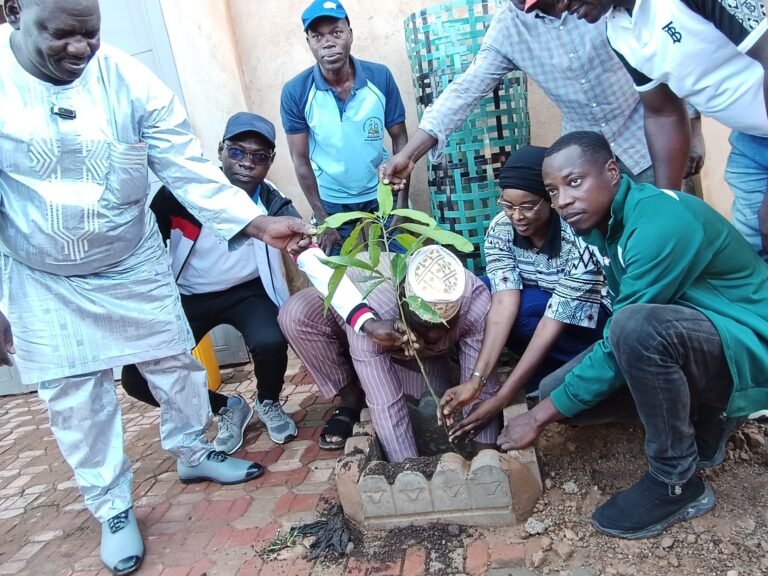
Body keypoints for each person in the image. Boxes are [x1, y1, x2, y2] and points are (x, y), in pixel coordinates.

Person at [0, 1, 313, 574]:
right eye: (60, 34)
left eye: (89, 34)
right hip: (42, 276)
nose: (78, 49)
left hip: (130, 262)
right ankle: (113, 508)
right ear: (14, 11)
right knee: (76, 400)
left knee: (175, 367)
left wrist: (258, 222)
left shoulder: (128, 78)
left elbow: (188, 167)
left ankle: (194, 453)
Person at [499, 131, 768, 539]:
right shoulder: (604, 226)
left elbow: (626, 335)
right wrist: (545, 404)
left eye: (574, 182)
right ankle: (710, 415)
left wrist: (537, 417)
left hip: (751, 343)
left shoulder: (659, 222)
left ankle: (676, 480)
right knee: (562, 394)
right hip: (707, 335)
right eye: (553, 191)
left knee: (631, 329)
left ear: (611, 172)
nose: (563, 200)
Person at [380, 0, 705, 196]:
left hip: (650, 139)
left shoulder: (598, 5)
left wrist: (693, 129)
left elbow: (668, 60)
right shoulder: (510, 27)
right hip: (587, 161)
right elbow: (463, 91)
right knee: (614, 254)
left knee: (678, 233)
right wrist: (410, 154)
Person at [121, 113, 299, 452]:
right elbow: (145, 246)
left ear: (269, 163)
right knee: (136, 378)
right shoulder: (183, 194)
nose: (247, 163)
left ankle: (268, 400)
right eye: (237, 152)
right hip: (189, 294)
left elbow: (293, 222)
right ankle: (226, 407)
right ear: (221, 151)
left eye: (259, 157)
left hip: (247, 291)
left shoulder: (269, 197)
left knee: (272, 341)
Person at [540, 0, 768, 261]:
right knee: (757, 251)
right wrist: (666, 206)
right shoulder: (618, 32)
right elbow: (664, 113)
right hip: (752, 140)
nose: (561, 7)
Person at [439, 146, 611, 439]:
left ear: (550, 200)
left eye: (528, 206)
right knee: (483, 290)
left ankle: (571, 371)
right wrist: (476, 381)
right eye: (508, 205)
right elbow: (503, 300)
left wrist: (501, 399)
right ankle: (540, 372)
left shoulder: (577, 236)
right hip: (544, 307)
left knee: (528, 310)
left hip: (595, 321)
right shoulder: (501, 229)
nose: (516, 216)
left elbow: (552, 319)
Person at [279, 244, 502, 462]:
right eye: (420, 330)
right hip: (353, 322)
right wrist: (408, 472)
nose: (425, 339)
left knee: (424, 410)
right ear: (402, 306)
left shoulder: (474, 301)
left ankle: (432, 370)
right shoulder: (371, 313)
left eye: (440, 332)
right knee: (296, 314)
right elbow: (385, 403)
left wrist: (486, 460)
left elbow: (481, 383)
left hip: (417, 360)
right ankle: (351, 396)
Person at [281, 0, 409, 255]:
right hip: (331, 200)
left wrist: (402, 205)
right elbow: (300, 160)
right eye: (317, 36)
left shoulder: (380, 77)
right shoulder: (296, 91)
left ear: (350, 35)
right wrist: (323, 218)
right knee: (340, 278)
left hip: (381, 192)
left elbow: (400, 141)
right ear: (309, 42)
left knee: (400, 267)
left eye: (336, 32)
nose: (327, 42)